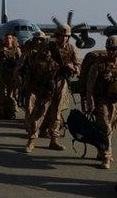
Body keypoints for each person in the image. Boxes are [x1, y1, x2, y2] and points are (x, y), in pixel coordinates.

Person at [24, 24, 80, 152]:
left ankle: (54, 140)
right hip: (47, 83)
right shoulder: (48, 47)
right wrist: (52, 63)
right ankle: (31, 140)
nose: (64, 38)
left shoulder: (71, 49)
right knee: (39, 111)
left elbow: (78, 66)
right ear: (57, 36)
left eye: (66, 36)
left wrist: (72, 67)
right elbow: (37, 63)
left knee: (57, 113)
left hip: (61, 83)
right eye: (62, 36)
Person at [85, 35, 117, 169]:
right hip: (101, 100)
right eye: (109, 49)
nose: (111, 51)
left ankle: (101, 151)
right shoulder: (98, 65)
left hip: (116, 102)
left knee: (110, 129)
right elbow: (90, 84)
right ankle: (107, 156)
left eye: (114, 49)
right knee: (105, 128)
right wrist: (90, 101)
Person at [18, 31, 47, 120]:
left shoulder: (48, 53)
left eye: (41, 40)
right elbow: (20, 65)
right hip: (31, 81)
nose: (38, 42)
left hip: (44, 82)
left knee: (44, 105)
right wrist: (18, 78)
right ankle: (29, 121)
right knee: (29, 103)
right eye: (37, 40)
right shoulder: (28, 53)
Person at [0, 33, 22, 117]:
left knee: (11, 94)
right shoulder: (0, 49)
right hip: (2, 74)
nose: (8, 40)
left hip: (12, 75)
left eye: (9, 38)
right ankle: (0, 111)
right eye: (6, 38)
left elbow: (20, 62)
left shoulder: (17, 50)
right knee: (1, 94)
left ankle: (11, 110)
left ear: (12, 39)